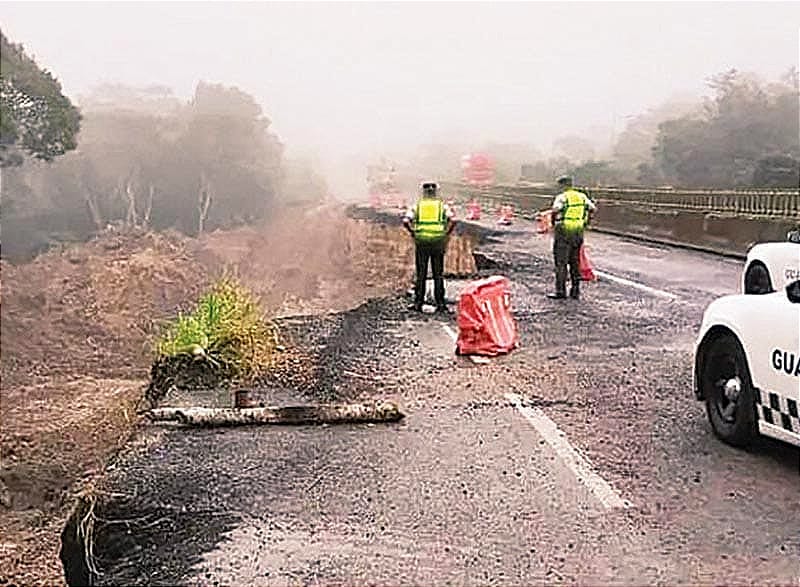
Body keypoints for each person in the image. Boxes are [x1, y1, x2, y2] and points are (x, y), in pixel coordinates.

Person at [403, 181, 456, 312]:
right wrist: (446, 233)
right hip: (438, 242)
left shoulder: (417, 206)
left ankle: (418, 303)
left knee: (421, 274)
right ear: (435, 192)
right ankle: (441, 304)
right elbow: (453, 220)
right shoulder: (442, 206)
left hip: (422, 243)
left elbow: (406, 221)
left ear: (424, 193)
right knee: (438, 274)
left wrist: (413, 232)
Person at [547, 175, 596, 300]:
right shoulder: (581, 196)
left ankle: (560, 291)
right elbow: (592, 208)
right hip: (578, 232)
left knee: (561, 263)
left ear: (562, 185)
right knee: (575, 262)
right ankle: (575, 291)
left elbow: (555, 210)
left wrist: (553, 223)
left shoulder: (562, 197)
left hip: (563, 231)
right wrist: (586, 222)